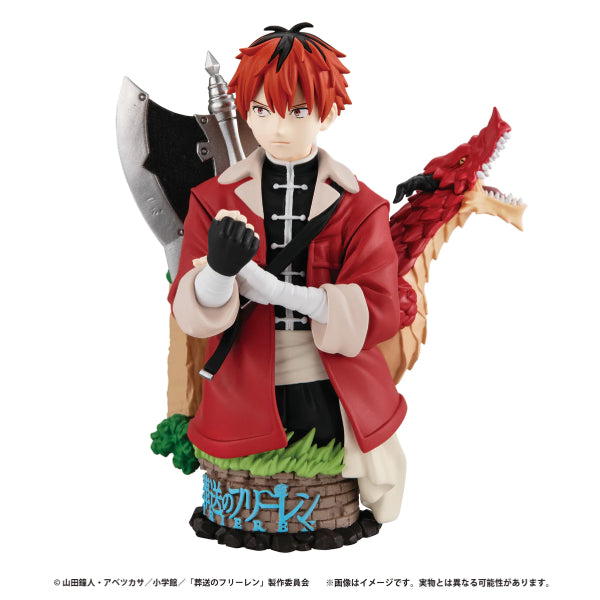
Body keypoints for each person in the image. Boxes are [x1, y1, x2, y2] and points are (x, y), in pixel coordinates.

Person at [168, 23, 407, 522]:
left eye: (297, 111)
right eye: (261, 110)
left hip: (329, 377)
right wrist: (218, 272)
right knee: (247, 460)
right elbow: (190, 314)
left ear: (328, 113)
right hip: (241, 376)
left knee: (344, 457)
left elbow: (379, 309)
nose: (277, 128)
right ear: (245, 112)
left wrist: (277, 290)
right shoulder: (212, 200)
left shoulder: (360, 206)